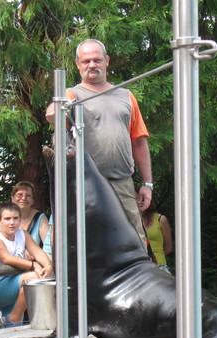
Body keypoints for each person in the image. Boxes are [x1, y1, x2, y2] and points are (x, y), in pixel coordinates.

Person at [45, 39, 153, 248]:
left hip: (122, 182)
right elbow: (54, 110)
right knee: (88, 244)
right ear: (78, 64)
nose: (91, 65)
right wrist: (56, 108)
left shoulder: (126, 96)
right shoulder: (72, 95)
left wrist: (147, 184)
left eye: (97, 60)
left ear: (107, 62)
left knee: (135, 241)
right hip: (86, 185)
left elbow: (139, 141)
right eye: (86, 61)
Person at [0, 202, 52, 326]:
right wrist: (33, 265)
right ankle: (15, 316)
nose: (12, 222)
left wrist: (47, 265)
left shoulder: (23, 234)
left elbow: (38, 252)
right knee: (34, 277)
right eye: (7, 219)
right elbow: (7, 259)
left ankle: (12, 321)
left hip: (15, 285)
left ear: (20, 220)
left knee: (11, 329)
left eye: (15, 218)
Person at [11, 181, 49, 247]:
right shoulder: (3, 216)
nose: (23, 198)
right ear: (12, 198)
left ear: (33, 200)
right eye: (20, 195)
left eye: (28, 195)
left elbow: (48, 245)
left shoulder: (40, 218)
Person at [141, 198, 173, 274]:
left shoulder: (161, 219)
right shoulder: (131, 220)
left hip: (159, 265)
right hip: (140, 266)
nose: (139, 202)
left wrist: (153, 257)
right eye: (136, 199)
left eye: (142, 199)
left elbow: (168, 248)